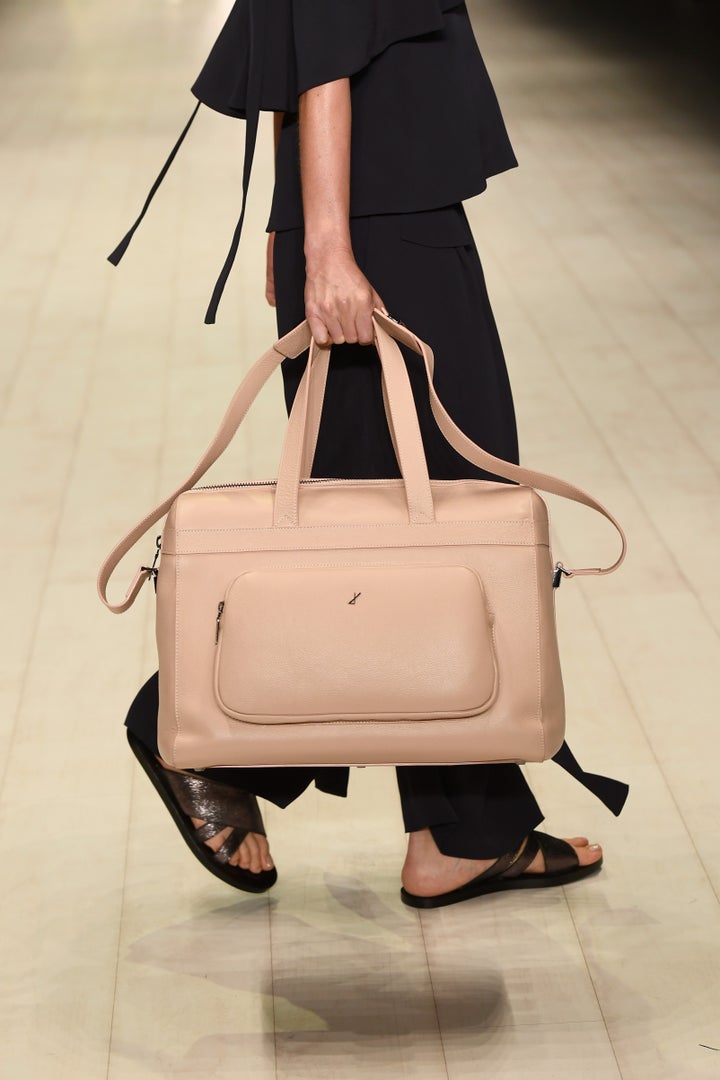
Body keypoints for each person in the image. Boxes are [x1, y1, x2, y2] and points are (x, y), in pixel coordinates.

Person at [113, 0, 628, 908]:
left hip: (372, 204)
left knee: (404, 528)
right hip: (382, 220)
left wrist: (299, 218)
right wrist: (325, 245)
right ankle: (187, 724)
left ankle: (461, 831)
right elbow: (324, 44)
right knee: (448, 523)